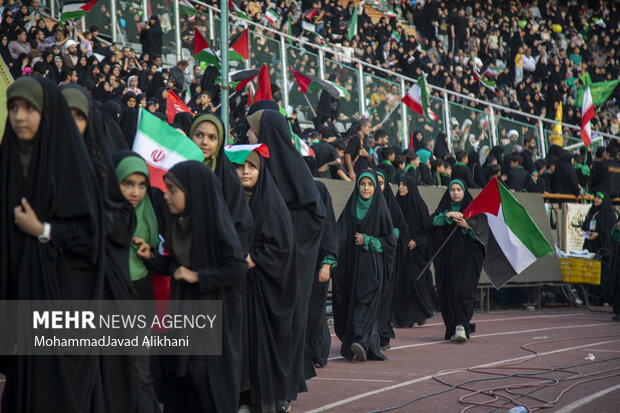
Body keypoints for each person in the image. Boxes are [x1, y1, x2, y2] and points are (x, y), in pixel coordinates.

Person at [0, 76, 107, 412]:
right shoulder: (8, 162)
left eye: (29, 109)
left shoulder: (72, 166)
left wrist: (42, 229)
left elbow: (89, 239)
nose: (19, 117)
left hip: (61, 303)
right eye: (13, 108)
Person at [150, 161, 248, 412]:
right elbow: (173, 265)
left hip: (211, 318)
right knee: (183, 381)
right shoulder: (179, 223)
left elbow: (236, 268)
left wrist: (198, 276)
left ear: (192, 191)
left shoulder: (215, 224)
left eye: (173, 190)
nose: (167, 196)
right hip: (184, 315)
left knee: (204, 380)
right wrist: (149, 257)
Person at [245, 108, 326, 408]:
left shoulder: (297, 173)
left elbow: (314, 218)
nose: (250, 135)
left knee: (287, 326)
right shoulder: (256, 169)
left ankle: (283, 392)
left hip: (290, 270)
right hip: (260, 266)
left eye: (253, 130)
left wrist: (279, 231)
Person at [231, 148, 297, 413]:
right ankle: (239, 396)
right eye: (239, 166)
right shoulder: (227, 198)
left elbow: (282, 245)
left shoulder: (271, 202)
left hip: (261, 287)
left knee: (258, 344)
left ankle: (257, 397)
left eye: (252, 166)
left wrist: (253, 258)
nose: (245, 171)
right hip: (233, 285)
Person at [332, 171, 396, 361]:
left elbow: (390, 242)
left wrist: (368, 240)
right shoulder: (351, 208)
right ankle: (363, 344)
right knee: (352, 301)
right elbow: (339, 234)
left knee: (365, 301)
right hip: (352, 267)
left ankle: (361, 340)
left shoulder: (380, 209)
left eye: (370, 184)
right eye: (362, 184)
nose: (366, 188)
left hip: (372, 267)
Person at [426, 179, 485, 343]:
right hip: (446, 259)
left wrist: (467, 226)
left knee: (463, 290)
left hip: (467, 259)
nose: (456, 193)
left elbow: (482, 234)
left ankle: (461, 326)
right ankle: (452, 326)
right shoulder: (443, 209)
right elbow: (430, 223)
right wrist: (447, 216)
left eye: (459, 189)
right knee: (447, 291)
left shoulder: (474, 211)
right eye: (452, 190)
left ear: (464, 192)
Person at [189, 114, 254, 254]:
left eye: (212, 137)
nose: (204, 142)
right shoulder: (178, 170)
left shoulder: (229, 180)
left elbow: (241, 225)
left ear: (220, 141)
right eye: (199, 135)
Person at [392, 175, 435, 328]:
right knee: (399, 283)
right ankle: (401, 317)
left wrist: (417, 241)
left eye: (404, 184)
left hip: (415, 253)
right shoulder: (395, 205)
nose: (401, 187)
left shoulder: (419, 206)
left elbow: (428, 231)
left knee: (415, 282)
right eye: (399, 184)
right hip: (399, 252)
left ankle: (421, 312)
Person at [305, 181, 338, 373]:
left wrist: (326, 264)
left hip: (318, 268)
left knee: (315, 312)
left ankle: (317, 352)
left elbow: (330, 237)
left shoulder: (321, 196)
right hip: (299, 269)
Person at [376, 171, 407, 349]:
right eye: (375, 182)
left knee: (384, 298)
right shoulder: (363, 205)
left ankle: (382, 334)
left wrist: (387, 238)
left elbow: (400, 229)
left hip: (387, 261)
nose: (377, 187)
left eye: (381, 183)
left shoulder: (391, 205)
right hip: (367, 260)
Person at [581, 192, 618, 305]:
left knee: (602, 272)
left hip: (603, 248)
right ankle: (590, 297)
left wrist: (598, 235)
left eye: (599, 198)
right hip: (591, 246)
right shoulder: (592, 211)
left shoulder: (608, 214)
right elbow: (586, 225)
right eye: (595, 197)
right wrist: (586, 232)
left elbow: (609, 233)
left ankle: (603, 297)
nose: (596, 200)